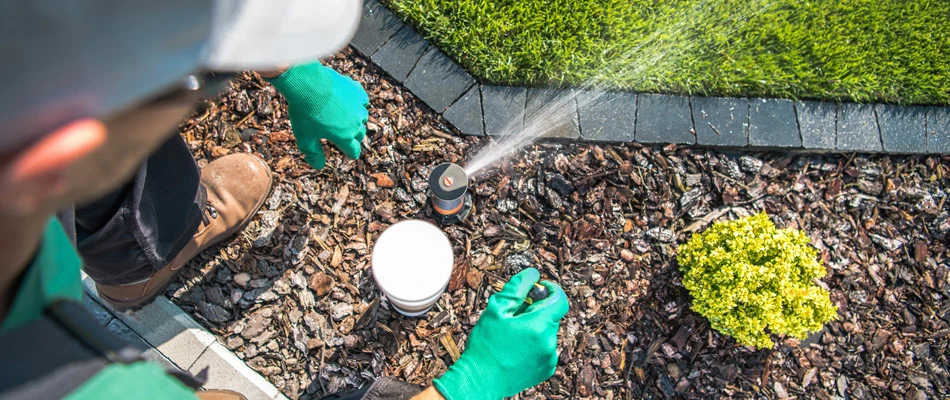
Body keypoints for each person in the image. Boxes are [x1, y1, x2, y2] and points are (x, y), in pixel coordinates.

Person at [0, 1, 570, 399]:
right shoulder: (55, 377)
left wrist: (290, 71)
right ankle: (135, 260)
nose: (208, 93)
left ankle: (137, 253)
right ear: (63, 150)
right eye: (197, 86)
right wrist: (468, 388)